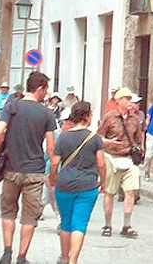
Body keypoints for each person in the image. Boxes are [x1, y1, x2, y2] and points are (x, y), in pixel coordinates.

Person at [0, 71, 58, 264]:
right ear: (40, 89)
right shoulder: (46, 113)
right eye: (45, 89)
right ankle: (22, 257)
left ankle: (7, 252)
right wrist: (53, 169)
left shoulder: (11, 107)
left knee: (8, 211)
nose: (46, 94)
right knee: (29, 217)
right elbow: (50, 146)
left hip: (11, 168)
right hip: (35, 171)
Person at [51, 101, 106, 264]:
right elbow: (101, 164)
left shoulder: (63, 136)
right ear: (88, 117)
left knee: (65, 222)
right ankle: (73, 261)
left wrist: (53, 177)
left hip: (64, 184)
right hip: (87, 185)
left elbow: (54, 163)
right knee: (79, 224)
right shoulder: (94, 138)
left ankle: (65, 257)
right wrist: (103, 181)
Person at [97, 87, 144, 238]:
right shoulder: (109, 117)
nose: (129, 101)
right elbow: (99, 137)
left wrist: (140, 148)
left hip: (128, 158)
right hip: (112, 157)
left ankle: (126, 225)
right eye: (126, 98)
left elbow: (138, 137)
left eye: (130, 99)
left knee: (130, 192)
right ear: (118, 101)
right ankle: (108, 224)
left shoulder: (135, 119)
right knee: (109, 192)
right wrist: (109, 142)